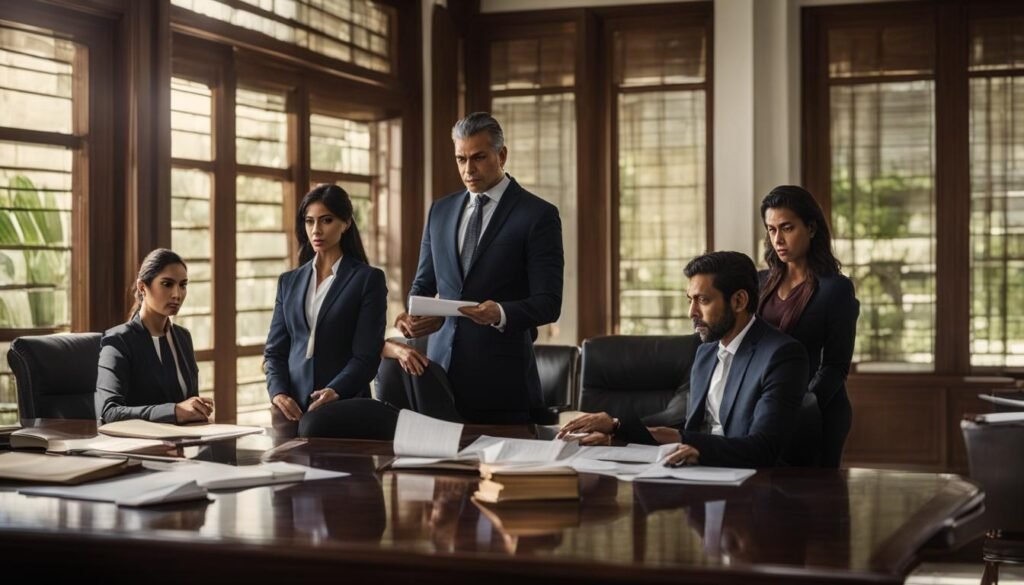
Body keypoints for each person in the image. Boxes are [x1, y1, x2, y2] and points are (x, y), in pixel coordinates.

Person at [559, 252, 809, 468]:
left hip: (750, 487)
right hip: (692, 475)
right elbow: (684, 423)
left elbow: (762, 448)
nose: (692, 312)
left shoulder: (782, 355)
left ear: (739, 301)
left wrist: (699, 452)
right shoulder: (705, 352)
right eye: (690, 300)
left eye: (703, 300)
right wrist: (616, 429)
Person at [394, 112, 564, 424]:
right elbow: (422, 284)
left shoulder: (538, 215)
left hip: (503, 383)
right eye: (461, 159)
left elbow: (549, 304)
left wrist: (498, 313)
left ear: (502, 155)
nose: (468, 169)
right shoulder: (440, 211)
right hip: (437, 378)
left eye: (478, 158)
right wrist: (413, 317)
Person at [264, 184, 387, 427]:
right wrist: (278, 394)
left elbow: (367, 356)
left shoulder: (367, 280)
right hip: (291, 409)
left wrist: (335, 390)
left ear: (346, 223)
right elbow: (275, 351)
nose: (316, 230)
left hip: (344, 404)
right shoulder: (288, 282)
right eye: (309, 221)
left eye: (326, 220)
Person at [758, 185, 859, 467]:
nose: (778, 239)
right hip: (763, 410)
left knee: (816, 505)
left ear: (811, 228)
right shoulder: (759, 283)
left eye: (787, 228)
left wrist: (800, 405)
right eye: (771, 229)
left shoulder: (835, 289)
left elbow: (836, 366)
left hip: (817, 413)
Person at [96, 248, 210, 423]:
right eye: (167, 284)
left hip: (183, 442)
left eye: (183, 285)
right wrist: (174, 411)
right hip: (137, 447)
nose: (177, 294)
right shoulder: (118, 341)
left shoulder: (183, 337)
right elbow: (109, 412)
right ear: (143, 287)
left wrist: (198, 409)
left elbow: (189, 401)